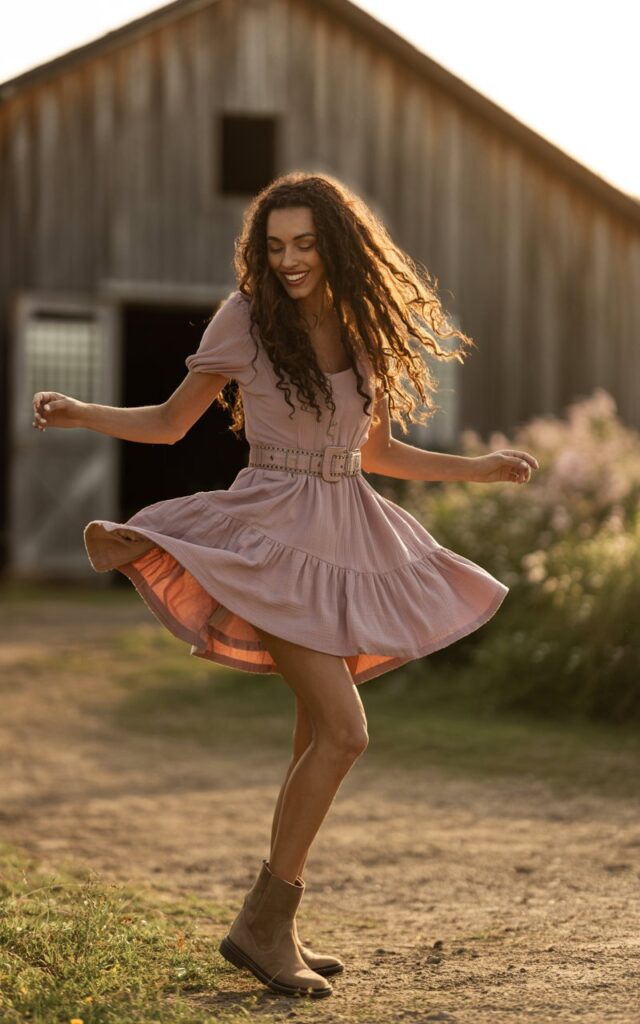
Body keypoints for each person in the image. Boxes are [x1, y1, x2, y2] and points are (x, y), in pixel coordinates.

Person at [32, 170, 539, 999]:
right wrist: (83, 411)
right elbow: (168, 424)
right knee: (346, 733)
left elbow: (373, 455)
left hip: (346, 534)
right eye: (275, 247)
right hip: (273, 540)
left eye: (304, 243)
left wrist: (477, 470)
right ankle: (264, 924)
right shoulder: (247, 319)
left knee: (314, 740)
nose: (290, 260)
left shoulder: (363, 326)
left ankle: (278, 924)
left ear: (336, 243)